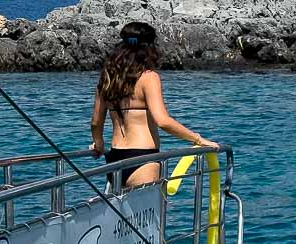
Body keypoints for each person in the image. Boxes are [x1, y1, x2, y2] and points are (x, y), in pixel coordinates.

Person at [90, 22, 219, 188]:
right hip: (143, 159)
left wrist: (99, 144)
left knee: (122, 212)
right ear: (149, 48)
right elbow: (162, 121)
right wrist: (198, 139)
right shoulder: (148, 78)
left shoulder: (107, 79)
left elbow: (96, 121)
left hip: (114, 158)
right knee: (149, 213)